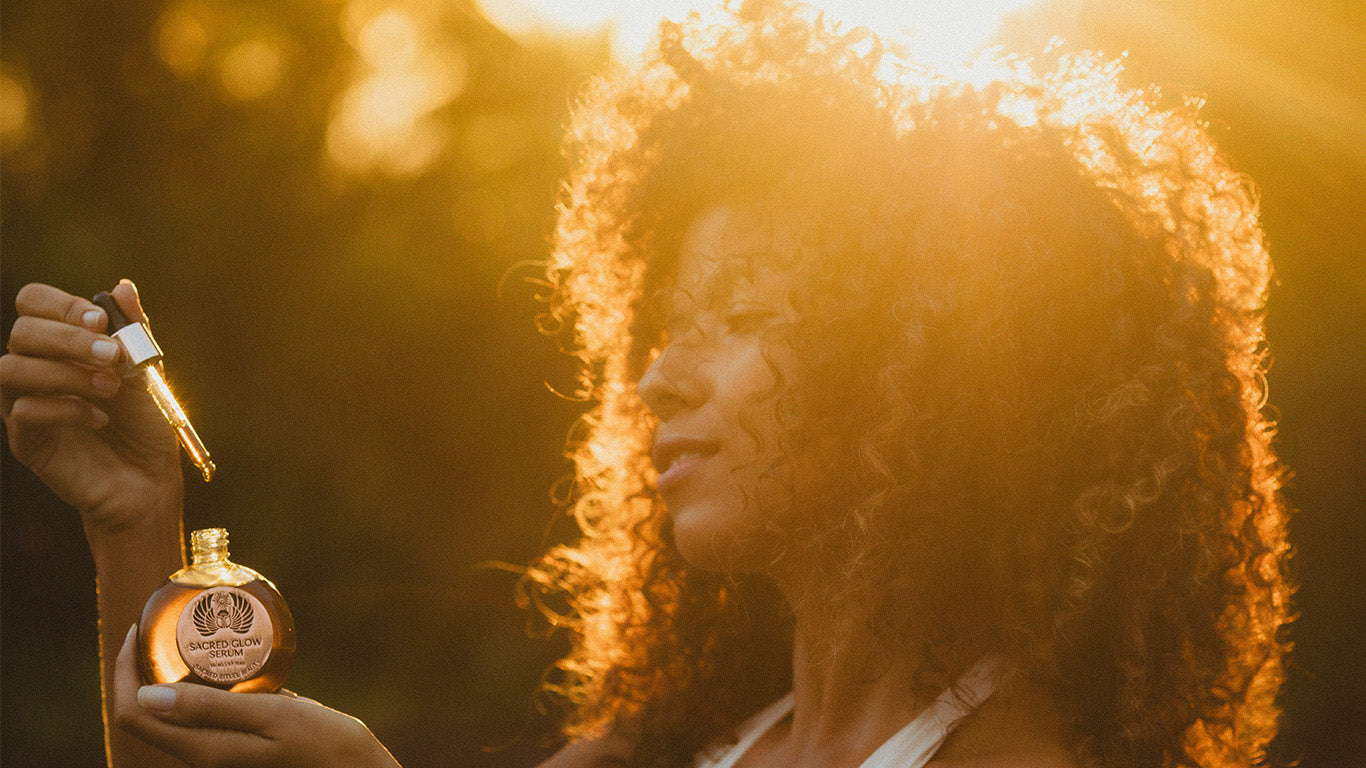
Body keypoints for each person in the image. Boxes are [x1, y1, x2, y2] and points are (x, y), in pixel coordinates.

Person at [0, 2, 1292, 766]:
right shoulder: (693, 739)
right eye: (661, 323)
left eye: (738, 316)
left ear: (937, 368)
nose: (658, 377)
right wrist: (133, 521)